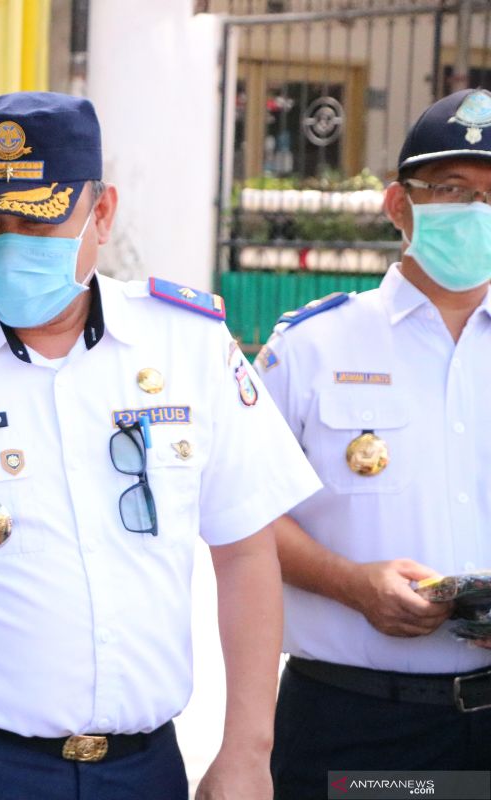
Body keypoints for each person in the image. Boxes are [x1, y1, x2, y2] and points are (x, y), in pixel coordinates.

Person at [0, 91, 322, 799]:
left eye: (34, 219)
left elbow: (246, 548)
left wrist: (249, 749)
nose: (6, 241)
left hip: (143, 768)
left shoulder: (187, 343)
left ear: (101, 212)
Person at [260, 88, 491, 797]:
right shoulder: (312, 347)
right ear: (399, 206)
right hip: (358, 719)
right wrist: (351, 584)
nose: (478, 213)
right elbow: (243, 517)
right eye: (452, 190)